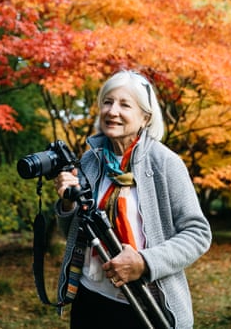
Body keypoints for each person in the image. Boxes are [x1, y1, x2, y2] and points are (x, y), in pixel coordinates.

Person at [54, 70, 212, 329]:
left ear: (145, 117)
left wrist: (144, 262)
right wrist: (67, 204)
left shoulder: (165, 164)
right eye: (107, 101)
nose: (112, 111)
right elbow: (73, 233)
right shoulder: (89, 161)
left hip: (145, 303)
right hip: (90, 298)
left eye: (124, 104)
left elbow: (198, 234)